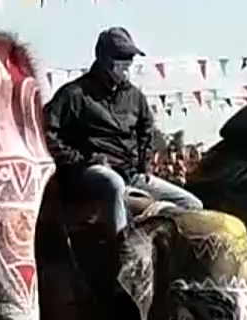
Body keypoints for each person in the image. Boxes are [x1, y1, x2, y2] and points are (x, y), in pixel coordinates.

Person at [44, 27, 203, 237]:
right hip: (91, 172)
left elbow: (146, 129)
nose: (127, 63)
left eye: (130, 57)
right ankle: (122, 252)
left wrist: (144, 165)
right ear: (104, 60)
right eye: (121, 57)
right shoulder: (74, 95)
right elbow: (46, 132)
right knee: (114, 184)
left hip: (131, 173)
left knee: (192, 204)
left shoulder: (135, 97)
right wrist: (81, 160)